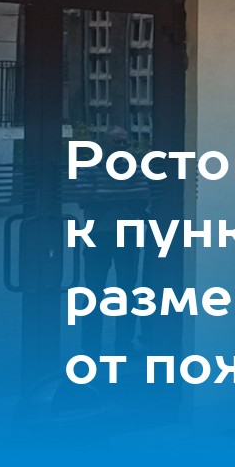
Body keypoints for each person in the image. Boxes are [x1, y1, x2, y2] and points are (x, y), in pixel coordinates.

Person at [79, 126, 150, 356]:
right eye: (117, 142)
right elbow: (85, 199)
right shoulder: (91, 168)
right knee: (94, 292)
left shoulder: (131, 168)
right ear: (105, 143)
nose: (122, 147)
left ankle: (121, 345)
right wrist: (124, 200)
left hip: (119, 234)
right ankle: (92, 347)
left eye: (124, 142)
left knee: (126, 291)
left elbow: (141, 198)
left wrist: (105, 199)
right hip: (100, 235)